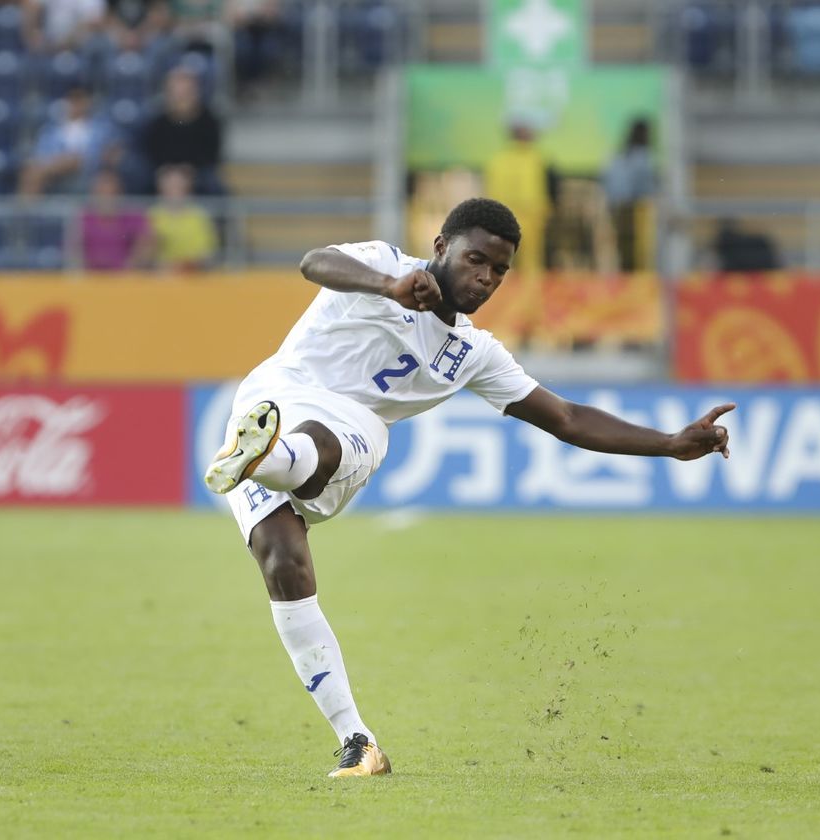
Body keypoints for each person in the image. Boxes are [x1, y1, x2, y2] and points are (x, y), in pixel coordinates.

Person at [202, 198, 735, 778]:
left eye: (499, 271)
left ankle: (263, 458)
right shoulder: (381, 261)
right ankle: (357, 740)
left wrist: (669, 443)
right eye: (475, 259)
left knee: (302, 503)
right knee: (289, 539)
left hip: (337, 428)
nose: (485, 278)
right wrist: (389, 285)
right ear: (440, 247)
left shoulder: (474, 353)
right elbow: (313, 262)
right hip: (273, 396)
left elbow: (568, 417)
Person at [18, 86, 120, 197]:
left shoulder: (102, 127)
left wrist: (79, 160)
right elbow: (41, 154)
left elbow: (111, 151)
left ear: (88, 102)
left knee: (106, 181)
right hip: (54, 172)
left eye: (80, 99)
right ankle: (27, 212)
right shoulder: (51, 129)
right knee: (31, 172)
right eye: (72, 99)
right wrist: (61, 161)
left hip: (89, 171)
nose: (76, 104)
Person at [142, 66, 224, 195]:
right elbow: (151, 152)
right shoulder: (157, 122)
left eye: (186, 93)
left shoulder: (209, 121)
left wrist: (189, 171)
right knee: (140, 179)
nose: (181, 98)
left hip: (197, 173)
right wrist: (168, 170)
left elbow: (212, 155)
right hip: (164, 172)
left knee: (213, 183)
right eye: (177, 93)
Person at [483, 124, 550, 275]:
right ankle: (532, 295)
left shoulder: (497, 160)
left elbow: (492, 190)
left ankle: (502, 295)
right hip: (530, 216)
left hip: (503, 217)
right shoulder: (537, 159)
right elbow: (540, 189)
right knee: (531, 262)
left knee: (500, 260)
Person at [603, 118, 657, 272]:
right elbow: (645, 189)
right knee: (640, 255)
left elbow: (608, 183)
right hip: (636, 210)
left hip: (616, 209)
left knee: (623, 252)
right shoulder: (643, 157)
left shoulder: (617, 156)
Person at [147, 163, 216, 272]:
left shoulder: (199, 215)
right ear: (161, 188)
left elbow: (207, 254)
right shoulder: (152, 215)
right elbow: (147, 256)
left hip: (193, 275)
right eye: (170, 185)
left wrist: (182, 266)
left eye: (179, 185)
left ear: (187, 187)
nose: (175, 189)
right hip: (160, 277)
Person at [79, 168, 152, 270]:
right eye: (101, 193)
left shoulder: (133, 215)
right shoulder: (83, 217)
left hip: (125, 278)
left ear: (120, 193)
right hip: (91, 278)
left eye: (111, 193)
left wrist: (129, 268)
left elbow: (146, 245)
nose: (106, 198)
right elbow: (74, 250)